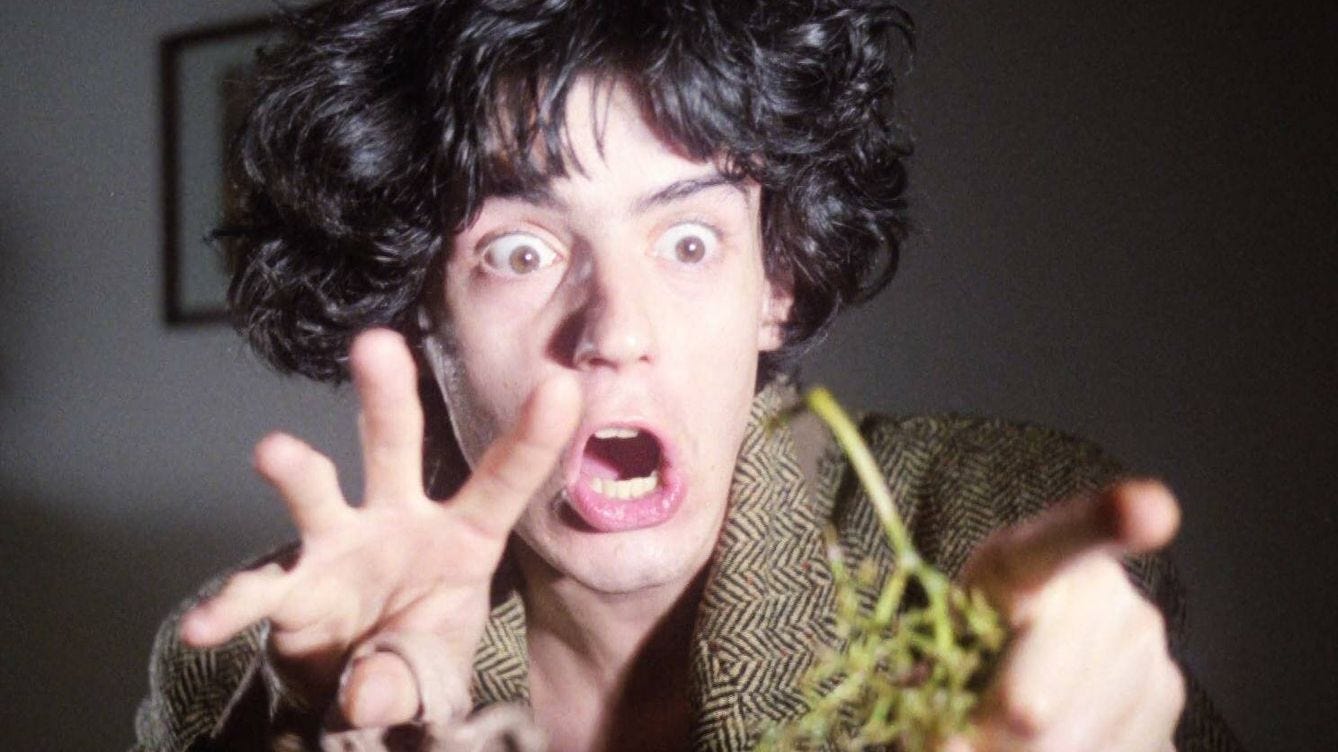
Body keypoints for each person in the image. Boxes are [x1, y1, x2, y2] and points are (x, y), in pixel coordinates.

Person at [133, 1, 1244, 750]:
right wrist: (321, 725)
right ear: (418, 313)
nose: (617, 330)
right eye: (519, 253)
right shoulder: (252, 676)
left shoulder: (990, 526)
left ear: (777, 280)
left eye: (690, 240)